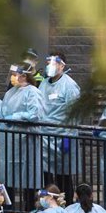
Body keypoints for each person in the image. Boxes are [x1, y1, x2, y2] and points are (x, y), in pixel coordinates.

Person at [0, 62, 46, 204]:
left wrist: (15, 117)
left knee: (29, 176)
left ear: (24, 75)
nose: (12, 78)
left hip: (27, 141)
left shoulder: (33, 92)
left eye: (15, 75)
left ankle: (28, 207)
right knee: (9, 175)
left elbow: (35, 114)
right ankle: (9, 207)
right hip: (11, 140)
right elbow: (3, 112)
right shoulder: (10, 93)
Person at [38, 53, 81, 200]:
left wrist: (68, 137)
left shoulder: (69, 86)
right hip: (44, 137)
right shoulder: (43, 84)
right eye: (48, 62)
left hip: (62, 136)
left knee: (64, 176)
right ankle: (47, 204)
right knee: (46, 176)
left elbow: (75, 114)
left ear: (62, 65)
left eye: (54, 62)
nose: (50, 65)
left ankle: (67, 205)